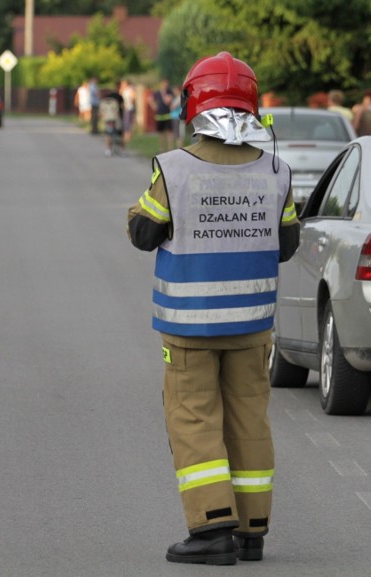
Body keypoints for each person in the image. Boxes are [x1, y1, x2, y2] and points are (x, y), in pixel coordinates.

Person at [126, 51, 300, 566]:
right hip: (251, 326)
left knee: (194, 419)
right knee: (250, 419)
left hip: (189, 327)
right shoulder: (277, 170)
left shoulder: (174, 169)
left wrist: (140, 213)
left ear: (193, 104)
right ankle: (251, 530)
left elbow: (143, 233)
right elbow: (286, 244)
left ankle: (210, 528)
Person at [99, 82, 124, 156]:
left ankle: (108, 149)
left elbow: (101, 110)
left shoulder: (105, 98)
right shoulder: (119, 97)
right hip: (115, 118)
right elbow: (122, 107)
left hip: (107, 118)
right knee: (118, 134)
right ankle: (120, 149)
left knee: (108, 134)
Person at [150, 79, 174, 152]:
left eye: (166, 84)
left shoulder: (169, 92)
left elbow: (167, 102)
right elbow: (150, 99)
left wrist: (163, 94)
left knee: (170, 132)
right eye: (163, 84)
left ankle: (170, 148)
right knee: (161, 132)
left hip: (167, 114)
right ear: (161, 84)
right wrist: (153, 106)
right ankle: (162, 148)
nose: (165, 85)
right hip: (159, 115)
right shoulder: (157, 92)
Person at [120, 78, 136, 145]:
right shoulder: (124, 90)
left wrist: (129, 104)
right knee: (125, 122)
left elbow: (133, 98)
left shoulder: (130, 89)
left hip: (129, 108)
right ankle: (126, 135)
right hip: (125, 108)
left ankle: (128, 136)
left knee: (128, 122)